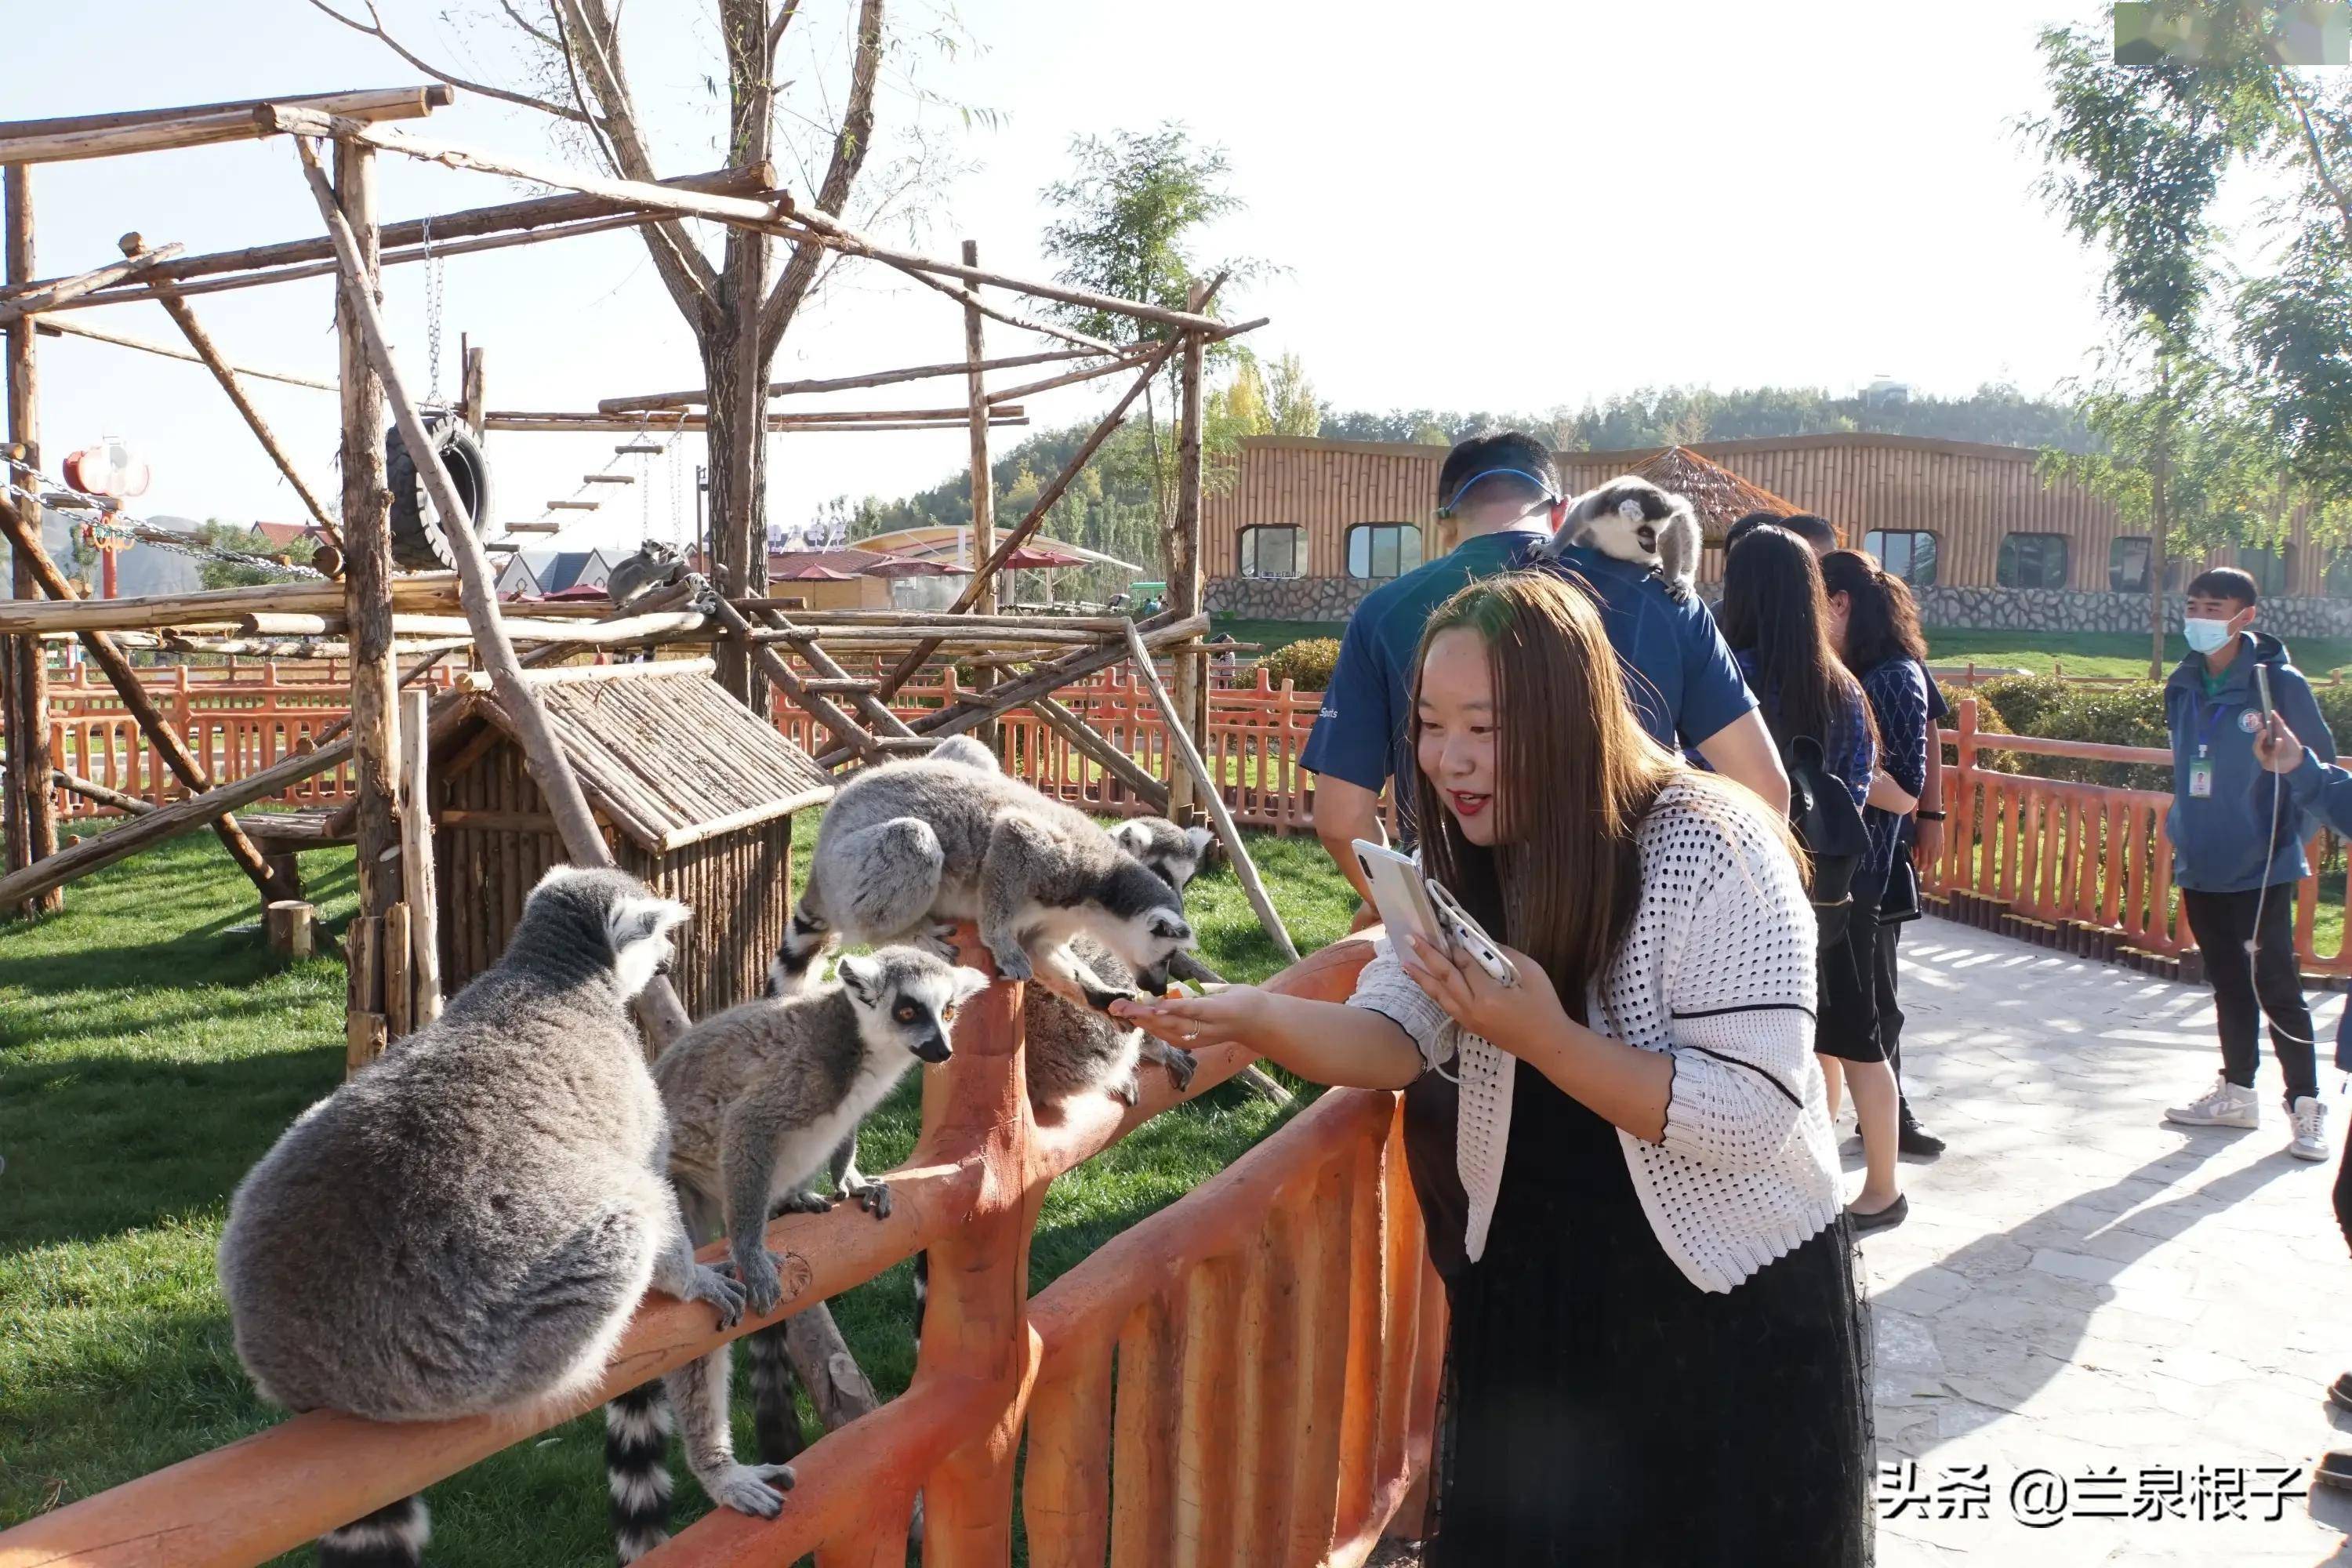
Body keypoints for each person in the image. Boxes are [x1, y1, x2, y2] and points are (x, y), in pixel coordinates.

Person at [1118, 571, 1871, 1565]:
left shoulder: (1716, 845)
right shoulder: (1466, 852)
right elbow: (1391, 1036)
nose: (1449, 758)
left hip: (1718, 1301)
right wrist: (1259, 1015)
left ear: (1571, 716)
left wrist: (1546, 1037)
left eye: (1487, 726)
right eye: (1430, 724)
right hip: (1537, 1286)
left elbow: (1753, 1112)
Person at [1305, 431, 1787, 906]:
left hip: (1466, 926)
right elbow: (1763, 790)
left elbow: (1342, 820)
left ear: (1444, 525)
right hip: (1630, 921)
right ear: (1563, 510)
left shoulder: (1384, 610)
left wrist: (1405, 913)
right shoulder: (1663, 596)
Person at [1720, 528, 1906, 1230]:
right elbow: (1854, 791)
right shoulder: (1845, 687)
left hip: (1745, 894)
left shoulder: (1727, 679)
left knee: (1765, 1039)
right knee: (1856, 1041)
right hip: (1835, 890)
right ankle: (1880, 1186)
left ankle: (1790, 1176)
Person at [2161, 567, 2336, 1161]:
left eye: (2216, 607)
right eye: (2195, 605)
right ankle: (2237, 1093)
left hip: (2261, 866)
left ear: (2245, 616)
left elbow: (2319, 770)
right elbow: (2188, 762)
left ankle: (2307, 1107)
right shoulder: (2183, 682)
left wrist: (2283, 841)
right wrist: (2182, 827)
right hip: (2202, 857)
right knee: (2228, 983)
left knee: (2278, 987)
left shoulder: (2278, 684)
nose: (2202, 618)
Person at [1819, 550, 1939, 1195]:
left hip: (1864, 872)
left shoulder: (1894, 677)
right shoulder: (1858, 669)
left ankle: (1882, 1186)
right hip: (1843, 871)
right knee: (1834, 1033)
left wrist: (1825, 776)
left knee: (1863, 1031)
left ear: (1839, 603)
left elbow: (1905, 791)